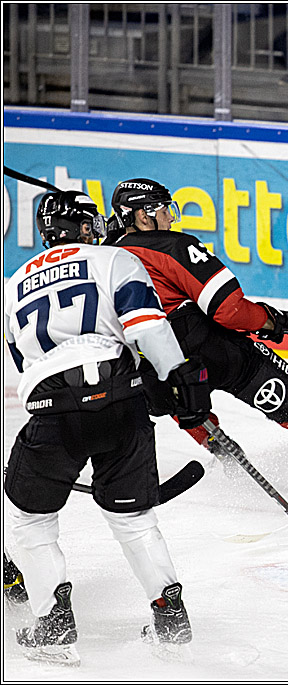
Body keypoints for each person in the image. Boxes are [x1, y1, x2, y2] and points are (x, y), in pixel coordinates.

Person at [3, 191, 211, 664]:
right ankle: (169, 616)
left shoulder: (13, 283)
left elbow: (22, 359)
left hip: (53, 411)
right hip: (121, 400)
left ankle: (54, 629)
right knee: (135, 520)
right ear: (85, 226)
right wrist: (179, 380)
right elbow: (147, 326)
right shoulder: (114, 258)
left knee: (32, 521)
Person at [103, 178, 288, 461]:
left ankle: (220, 448)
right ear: (143, 215)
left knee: (173, 389)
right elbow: (228, 309)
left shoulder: (104, 258)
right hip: (215, 351)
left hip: (156, 363)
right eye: (164, 210)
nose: (171, 217)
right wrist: (275, 321)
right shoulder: (171, 245)